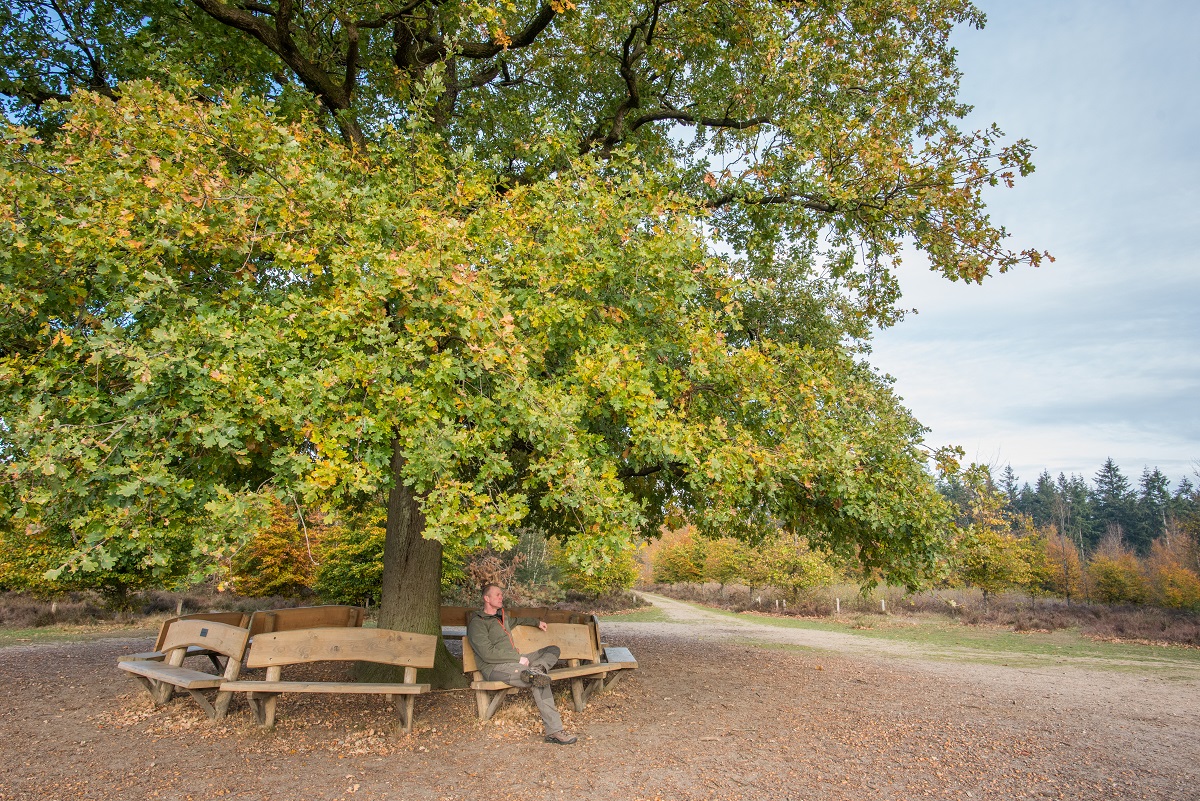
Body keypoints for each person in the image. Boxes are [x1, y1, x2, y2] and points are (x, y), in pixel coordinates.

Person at [466, 584, 578, 745]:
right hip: (495, 668)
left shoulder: (501, 617)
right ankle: (554, 731)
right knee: (538, 679)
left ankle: (537, 668)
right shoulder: (478, 623)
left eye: (501, 595)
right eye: (497, 595)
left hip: (515, 662)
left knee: (553, 650)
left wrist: (536, 622)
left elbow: (519, 620)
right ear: (486, 598)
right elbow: (487, 653)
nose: (501, 597)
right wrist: (517, 658)